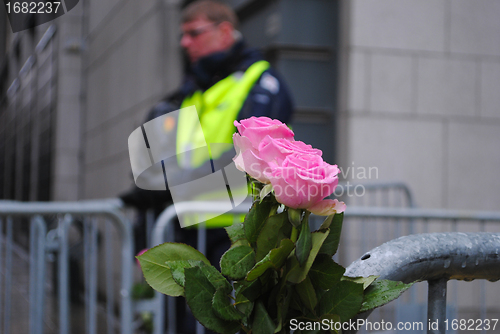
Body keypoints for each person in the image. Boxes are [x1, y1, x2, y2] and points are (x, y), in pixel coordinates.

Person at [120, 1, 294, 331]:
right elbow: (168, 156)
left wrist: (165, 188)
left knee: (221, 323)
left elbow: (246, 154)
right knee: (179, 323)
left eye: (193, 33)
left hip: (235, 233)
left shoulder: (260, 80)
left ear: (224, 31)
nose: (184, 43)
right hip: (187, 227)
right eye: (183, 35)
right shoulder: (195, 90)